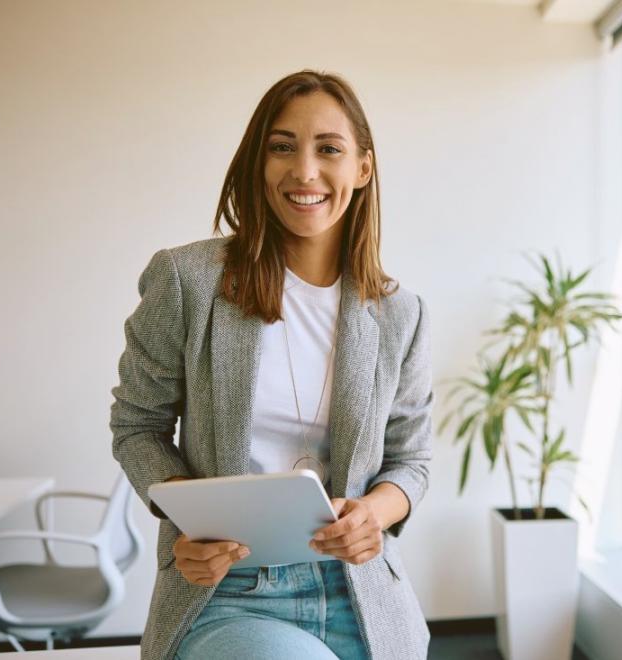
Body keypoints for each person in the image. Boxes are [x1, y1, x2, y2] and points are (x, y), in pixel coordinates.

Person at [109, 70, 433, 660]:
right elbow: (136, 425)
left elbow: (412, 459)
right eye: (282, 147)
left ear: (362, 169)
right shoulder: (190, 280)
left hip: (359, 596)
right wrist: (189, 520)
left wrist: (374, 514)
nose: (304, 171)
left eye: (328, 149)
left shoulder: (399, 313)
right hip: (229, 592)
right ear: (259, 164)